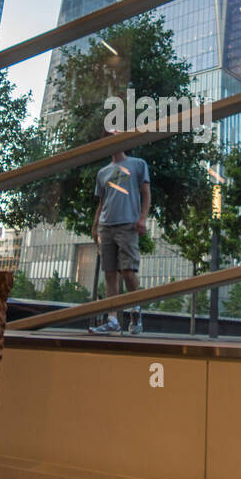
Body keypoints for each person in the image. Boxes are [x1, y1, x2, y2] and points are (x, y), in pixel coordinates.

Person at [88, 141, 151, 335]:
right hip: (106, 226)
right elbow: (102, 202)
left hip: (127, 224)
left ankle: (135, 309)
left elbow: (146, 193)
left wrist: (142, 218)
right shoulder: (102, 173)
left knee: (128, 270)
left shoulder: (138, 164)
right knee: (109, 272)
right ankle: (112, 319)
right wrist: (95, 225)